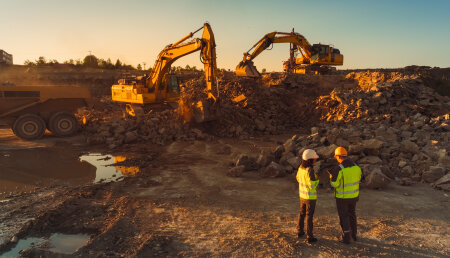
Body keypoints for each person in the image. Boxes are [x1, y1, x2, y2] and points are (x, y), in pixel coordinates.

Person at [328, 147, 362, 244]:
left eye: (336, 157)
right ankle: (354, 235)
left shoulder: (339, 169)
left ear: (338, 156)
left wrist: (331, 177)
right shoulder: (356, 166)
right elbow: (359, 178)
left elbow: (334, 184)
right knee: (352, 214)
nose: (336, 159)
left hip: (342, 198)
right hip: (354, 196)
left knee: (344, 216)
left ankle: (346, 238)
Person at [296, 149, 319, 243]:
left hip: (302, 195)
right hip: (310, 197)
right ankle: (310, 236)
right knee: (309, 216)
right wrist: (317, 179)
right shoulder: (310, 170)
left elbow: (298, 178)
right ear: (310, 159)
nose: (315, 160)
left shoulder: (300, 168)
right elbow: (312, 184)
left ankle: (300, 231)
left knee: (301, 214)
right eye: (314, 158)